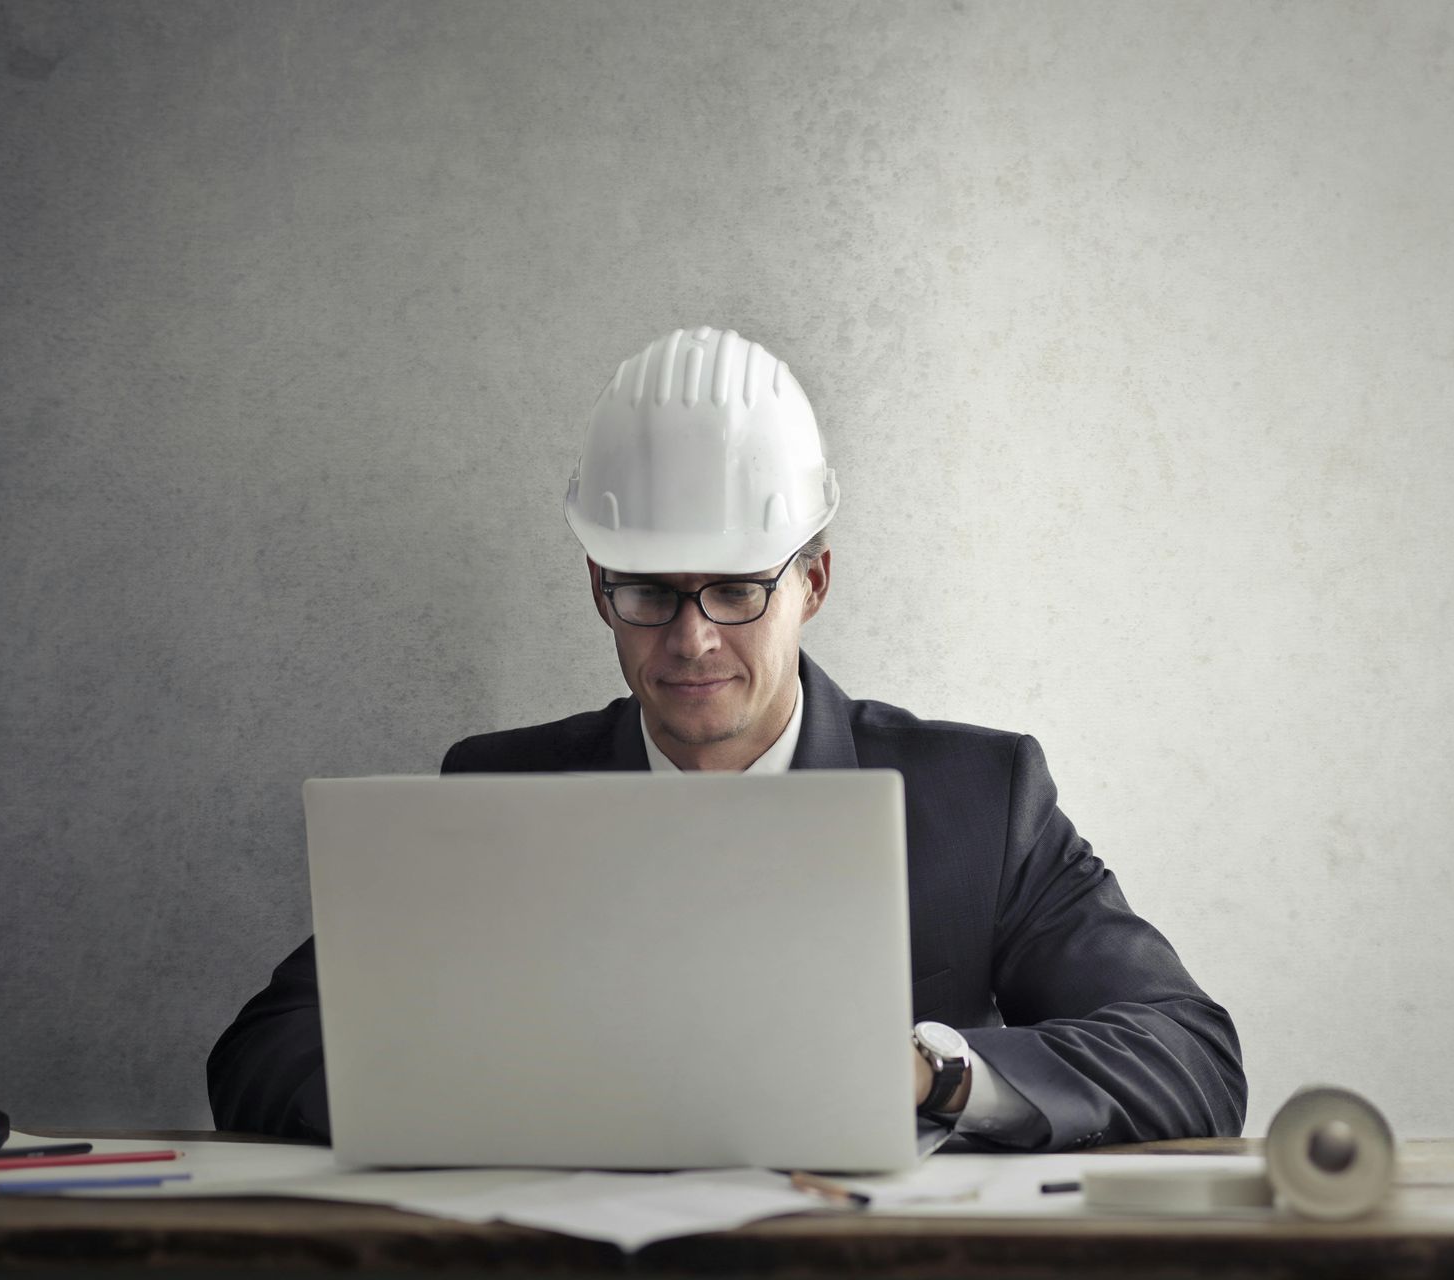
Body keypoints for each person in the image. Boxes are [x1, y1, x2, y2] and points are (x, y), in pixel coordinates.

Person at [209, 326, 1246, 1151]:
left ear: (813, 583)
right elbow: (265, 1051)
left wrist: (930, 1074)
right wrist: (496, 1086)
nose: (693, 635)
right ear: (598, 590)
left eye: (739, 587)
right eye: (651, 591)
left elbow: (1187, 1050)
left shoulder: (980, 797)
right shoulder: (494, 791)